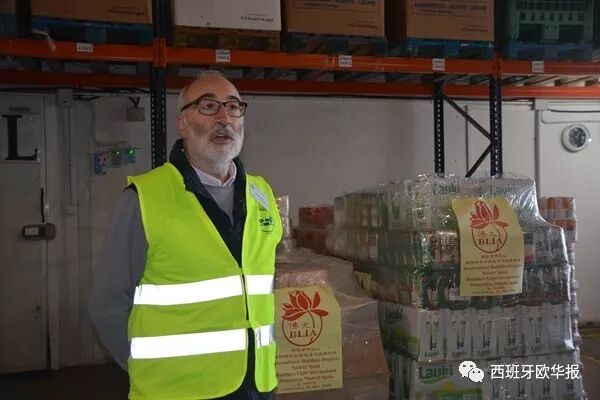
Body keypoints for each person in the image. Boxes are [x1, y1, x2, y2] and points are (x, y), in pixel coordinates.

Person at [89, 70, 282, 400]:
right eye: (208, 106)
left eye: (233, 106)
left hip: (257, 387)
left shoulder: (261, 194)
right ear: (182, 122)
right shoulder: (143, 199)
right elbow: (108, 306)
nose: (224, 118)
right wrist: (149, 372)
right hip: (177, 391)